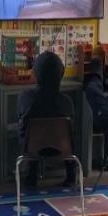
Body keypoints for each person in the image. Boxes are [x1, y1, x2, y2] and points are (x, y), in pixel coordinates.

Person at [17, 51, 76, 188]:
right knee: (69, 132)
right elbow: (72, 129)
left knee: (28, 131)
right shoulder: (67, 102)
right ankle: (71, 174)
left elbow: (21, 120)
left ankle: (31, 175)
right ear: (61, 74)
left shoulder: (26, 97)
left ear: (35, 74)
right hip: (63, 148)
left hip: (32, 148)